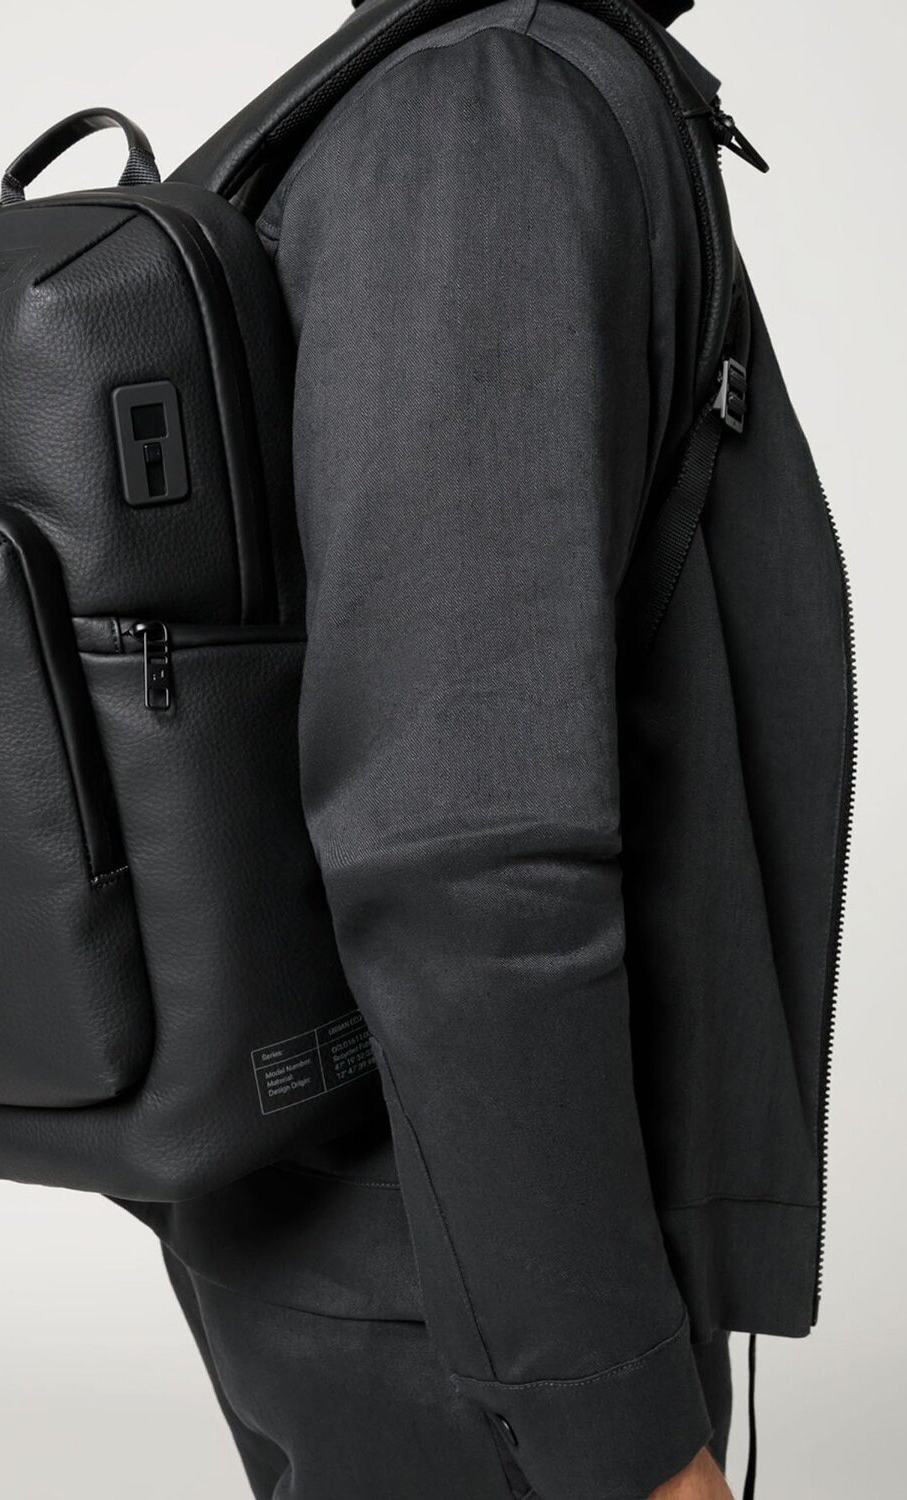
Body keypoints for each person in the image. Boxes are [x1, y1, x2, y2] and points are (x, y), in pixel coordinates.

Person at [127, 2, 776, 1496]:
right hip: (476, 1297)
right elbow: (462, 843)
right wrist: (619, 1431)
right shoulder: (485, 116)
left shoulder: (459, 93)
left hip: (434, 1245)